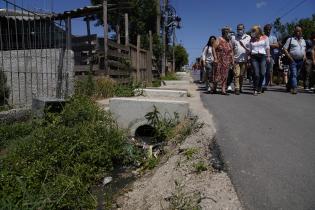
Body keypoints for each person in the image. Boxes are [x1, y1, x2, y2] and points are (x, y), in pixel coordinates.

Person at [247, 25, 271, 96]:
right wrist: (248, 58)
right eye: (252, 31)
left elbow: (267, 47)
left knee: (262, 73)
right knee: (256, 74)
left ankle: (260, 87)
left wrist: (268, 56)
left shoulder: (265, 38)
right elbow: (250, 50)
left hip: (263, 56)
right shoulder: (251, 39)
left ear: (258, 31)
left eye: (254, 31)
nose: (253, 32)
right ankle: (255, 89)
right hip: (254, 57)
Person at [283, 25, 306, 94]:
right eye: (297, 31)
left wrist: (304, 56)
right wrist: (290, 57)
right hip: (293, 60)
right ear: (295, 32)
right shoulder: (290, 39)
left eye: (300, 31)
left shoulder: (303, 40)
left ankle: (288, 85)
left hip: (301, 60)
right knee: (294, 74)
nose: (298, 32)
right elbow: (285, 49)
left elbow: (304, 49)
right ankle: (294, 88)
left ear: (301, 32)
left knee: (297, 74)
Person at [213, 27, 234, 95]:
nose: (229, 34)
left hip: (226, 61)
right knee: (217, 75)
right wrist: (215, 58)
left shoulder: (229, 41)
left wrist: (232, 60)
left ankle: (223, 90)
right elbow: (213, 48)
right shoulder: (219, 39)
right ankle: (214, 88)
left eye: (229, 32)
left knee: (225, 75)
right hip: (219, 60)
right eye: (227, 32)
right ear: (224, 32)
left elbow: (231, 51)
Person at [232, 24, 251, 95]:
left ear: (244, 29)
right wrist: (232, 59)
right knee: (237, 74)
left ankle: (240, 87)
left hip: (245, 59)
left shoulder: (248, 37)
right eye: (238, 29)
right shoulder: (233, 37)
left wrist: (249, 58)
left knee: (242, 75)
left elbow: (250, 48)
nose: (239, 30)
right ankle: (236, 88)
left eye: (241, 29)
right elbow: (231, 48)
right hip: (236, 59)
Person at [263, 24, 279, 90]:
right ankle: (262, 84)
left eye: (269, 29)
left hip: (271, 56)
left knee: (269, 71)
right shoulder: (262, 37)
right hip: (263, 56)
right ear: (264, 30)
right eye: (267, 29)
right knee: (263, 70)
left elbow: (277, 45)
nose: (268, 31)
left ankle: (266, 83)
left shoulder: (273, 37)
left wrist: (268, 45)